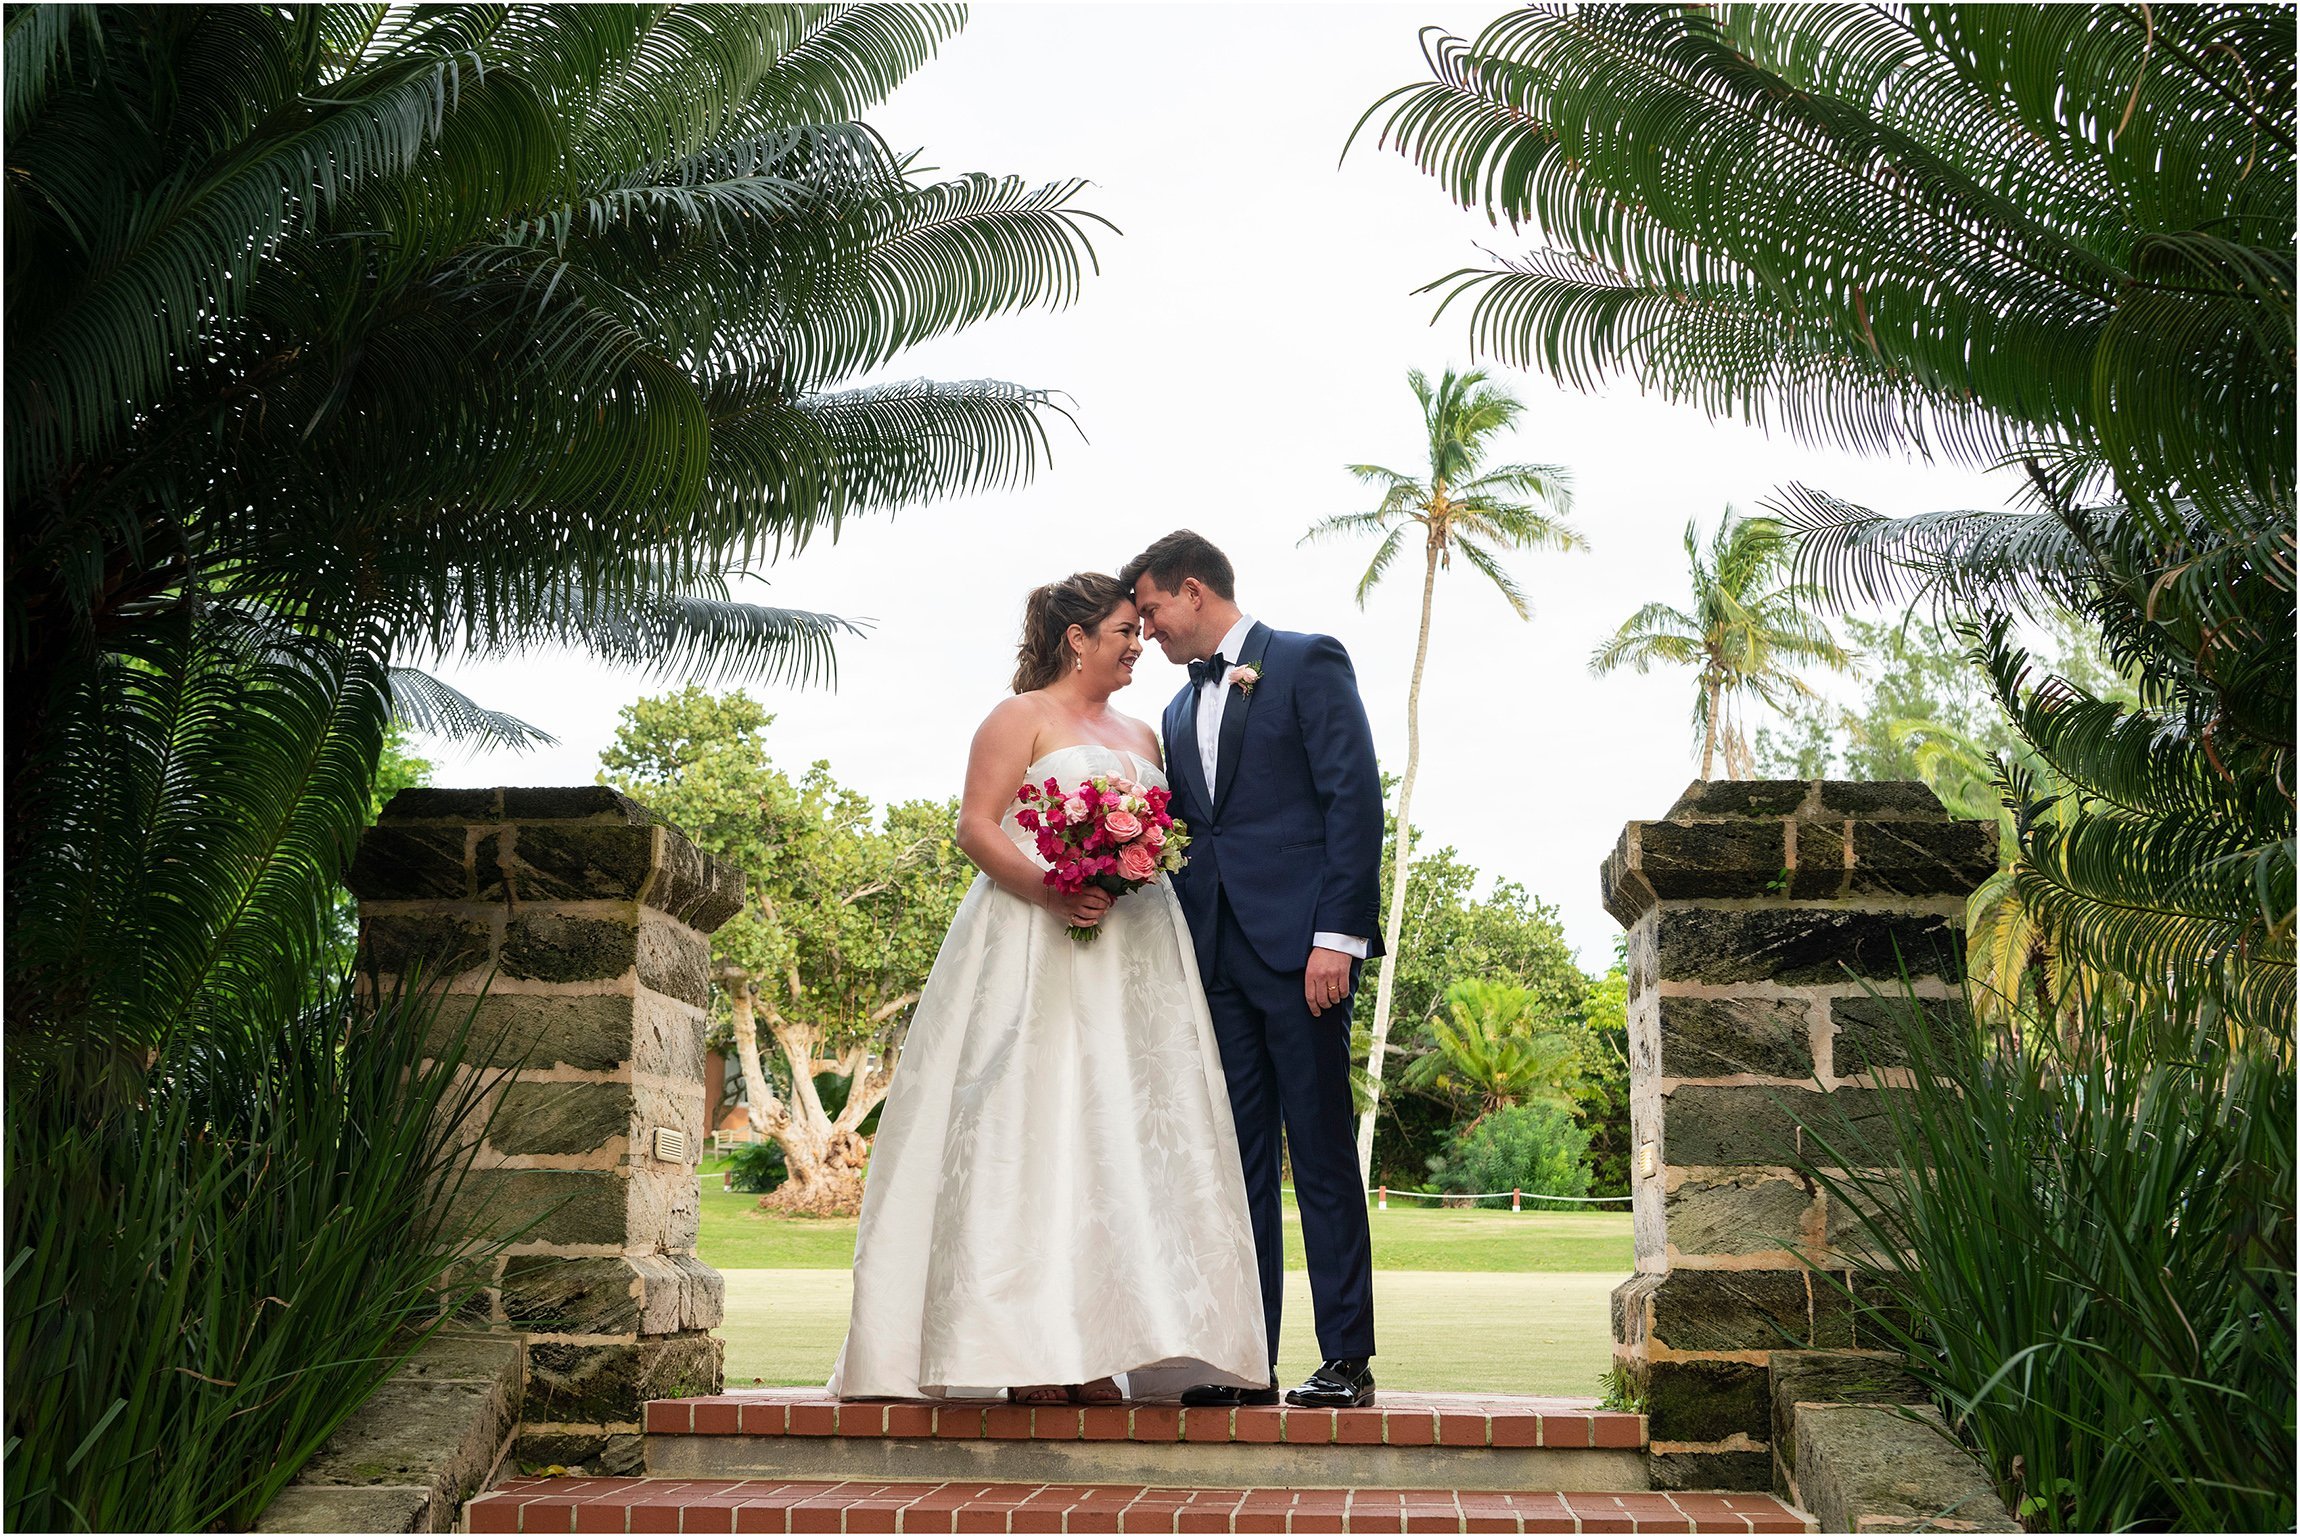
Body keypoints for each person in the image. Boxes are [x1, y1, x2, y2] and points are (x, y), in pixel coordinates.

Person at [829, 572, 1268, 1404]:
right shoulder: (1018, 717)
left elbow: (1163, 833)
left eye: (1142, 629)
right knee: (1029, 1128)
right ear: (1077, 637)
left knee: (1118, 1139)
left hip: (1134, 954)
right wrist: (1052, 888)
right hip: (1035, 941)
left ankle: (1102, 1347)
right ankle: (1020, 1350)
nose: (1140, 644)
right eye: (1124, 631)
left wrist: (1132, 864)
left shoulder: (1145, 731)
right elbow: (977, 824)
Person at [1121, 530, 1383, 1410]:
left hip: (1301, 952)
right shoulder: (1169, 710)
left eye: (1152, 610)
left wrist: (1335, 938)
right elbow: (1200, 833)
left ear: (1194, 592)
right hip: (1215, 957)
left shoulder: (1307, 661)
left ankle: (1347, 1357)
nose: (1146, 630)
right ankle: (1246, 1358)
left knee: (1320, 1153)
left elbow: (1354, 800)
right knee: (1233, 1164)